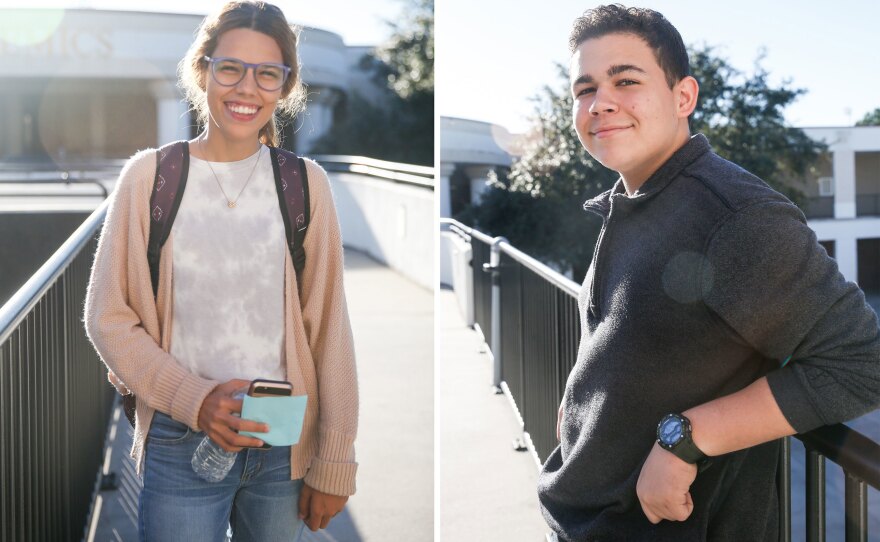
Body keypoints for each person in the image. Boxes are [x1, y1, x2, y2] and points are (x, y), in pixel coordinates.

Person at [537, 5, 880, 541]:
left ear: (683, 97)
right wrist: (582, 400)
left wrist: (688, 438)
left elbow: (863, 363)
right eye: (584, 89)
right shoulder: (636, 198)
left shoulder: (736, 217)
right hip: (588, 517)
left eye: (626, 80)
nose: (600, 103)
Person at [84, 2, 358, 540]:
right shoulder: (150, 178)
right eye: (230, 67)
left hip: (283, 446)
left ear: (285, 85)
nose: (246, 88)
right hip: (177, 439)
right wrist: (197, 400)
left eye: (267, 74)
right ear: (203, 70)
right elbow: (106, 317)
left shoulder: (306, 185)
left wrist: (334, 461)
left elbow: (330, 331)